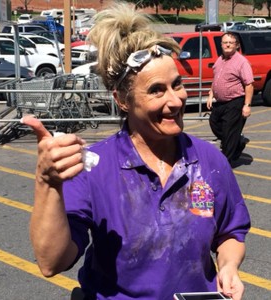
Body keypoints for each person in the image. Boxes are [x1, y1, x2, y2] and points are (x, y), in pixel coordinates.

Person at [23, 3, 250, 300]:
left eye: (177, 84)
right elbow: (52, 262)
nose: (176, 100)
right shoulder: (94, 168)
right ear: (123, 100)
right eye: (157, 90)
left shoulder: (208, 160)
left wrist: (228, 266)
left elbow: (230, 232)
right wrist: (47, 182)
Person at [206, 32, 254, 166]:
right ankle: (237, 142)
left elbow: (249, 84)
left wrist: (247, 105)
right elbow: (216, 79)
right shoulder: (219, 59)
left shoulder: (241, 62)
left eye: (230, 43)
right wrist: (211, 94)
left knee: (229, 131)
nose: (227, 45)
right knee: (214, 123)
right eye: (224, 42)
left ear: (236, 45)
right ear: (221, 45)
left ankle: (224, 163)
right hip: (220, 103)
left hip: (235, 102)